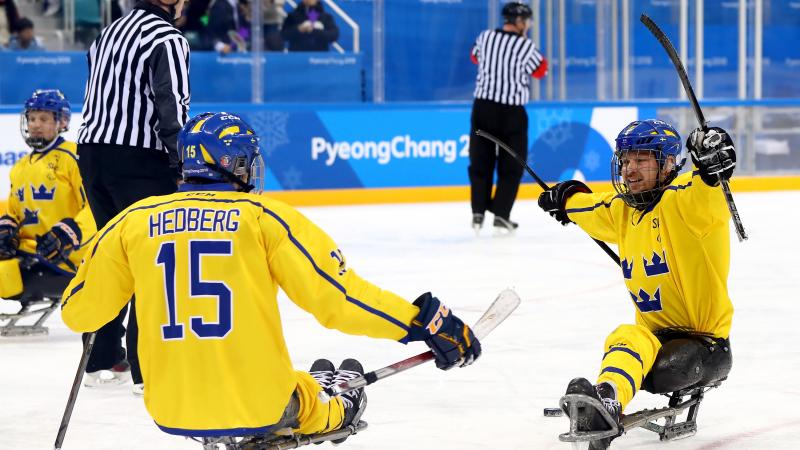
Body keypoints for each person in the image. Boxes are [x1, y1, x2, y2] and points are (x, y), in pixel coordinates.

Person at [60, 112, 481, 443]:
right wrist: (422, 321)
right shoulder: (265, 220)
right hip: (260, 404)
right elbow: (340, 301)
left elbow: (78, 314)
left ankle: (311, 389)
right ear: (232, 162)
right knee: (322, 405)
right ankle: (335, 400)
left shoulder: (132, 222)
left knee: (288, 386)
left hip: (169, 407)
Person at [537, 119, 736, 449]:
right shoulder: (624, 210)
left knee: (673, 362)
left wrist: (713, 168)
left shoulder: (686, 200)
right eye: (626, 161)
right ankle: (606, 402)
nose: (630, 170)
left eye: (641, 160)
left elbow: (706, 189)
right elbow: (593, 206)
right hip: (655, 340)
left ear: (668, 163)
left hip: (705, 344)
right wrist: (567, 198)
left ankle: (609, 400)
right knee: (626, 336)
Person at [76, 0, 190, 393]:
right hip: (139, 159)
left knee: (110, 254)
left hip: (91, 152)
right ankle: (147, 367)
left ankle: (101, 357)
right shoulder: (167, 38)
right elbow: (172, 107)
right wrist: (183, 166)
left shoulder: (105, 34)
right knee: (150, 258)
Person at [0, 90, 95, 335]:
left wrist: (71, 233)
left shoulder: (73, 157)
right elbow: (13, 211)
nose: (35, 125)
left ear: (61, 122)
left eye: (43, 119)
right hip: (30, 254)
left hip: (65, 260)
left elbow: (96, 206)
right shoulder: (20, 168)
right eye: (32, 119)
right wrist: (7, 229)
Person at [468, 1, 547, 235]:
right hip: (511, 112)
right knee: (512, 164)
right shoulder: (525, 46)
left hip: (483, 108)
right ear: (519, 21)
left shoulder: (485, 37)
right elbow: (541, 70)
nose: (528, 26)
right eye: (526, 21)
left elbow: (474, 57)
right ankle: (501, 213)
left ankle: (478, 211)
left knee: (480, 160)